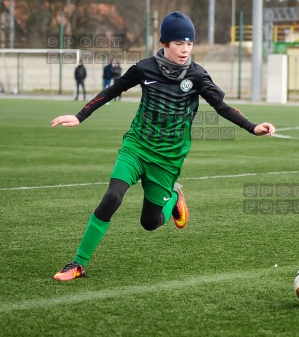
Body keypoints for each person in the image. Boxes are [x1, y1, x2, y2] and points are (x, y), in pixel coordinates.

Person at [50, 11, 276, 281]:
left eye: (189, 43)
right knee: (112, 197)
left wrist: (253, 127)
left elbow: (222, 107)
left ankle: (174, 196)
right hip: (137, 146)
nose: (185, 49)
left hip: (168, 158)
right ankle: (78, 263)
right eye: (179, 43)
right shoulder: (145, 68)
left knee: (150, 223)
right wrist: (79, 115)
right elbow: (113, 90)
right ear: (164, 44)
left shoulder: (198, 75)